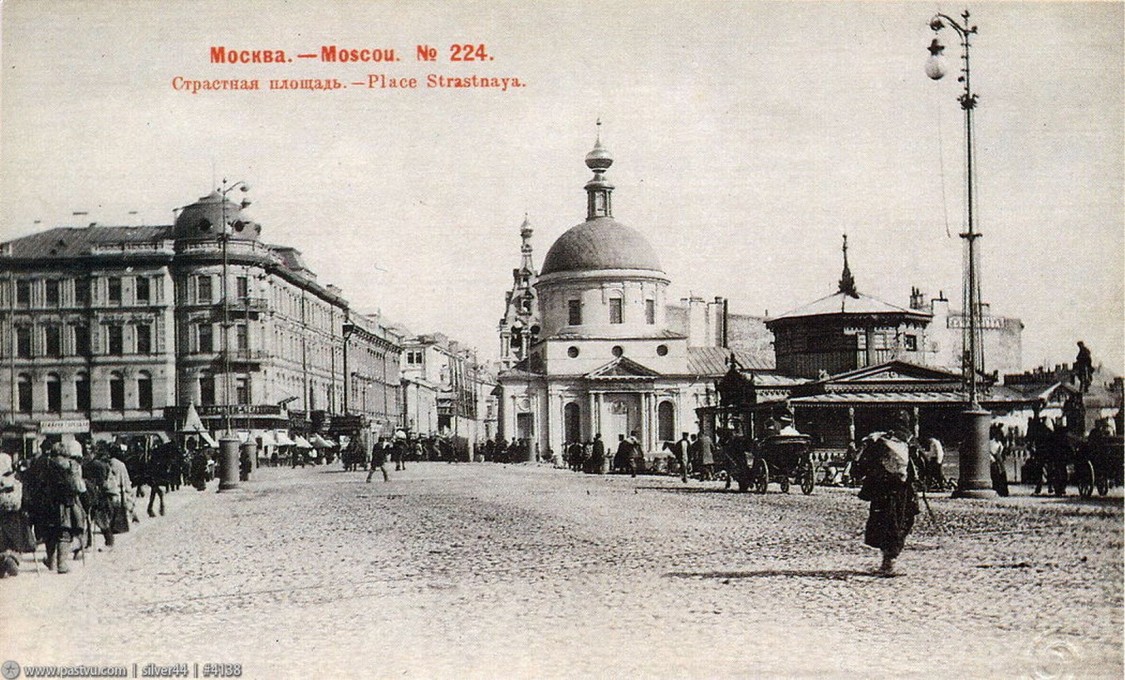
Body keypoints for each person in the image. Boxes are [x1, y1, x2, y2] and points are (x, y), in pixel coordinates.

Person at [857, 412, 920, 576]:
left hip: (882, 490)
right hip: (905, 491)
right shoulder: (910, 441)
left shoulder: (879, 441)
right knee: (901, 522)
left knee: (884, 522)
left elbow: (863, 464)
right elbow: (921, 464)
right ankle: (891, 559)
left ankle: (887, 561)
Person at [989, 427, 1009, 497]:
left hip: (999, 461)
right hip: (994, 461)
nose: (999, 437)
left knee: (1002, 474)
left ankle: (1003, 492)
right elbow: (994, 453)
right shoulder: (991, 443)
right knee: (997, 475)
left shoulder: (1000, 443)